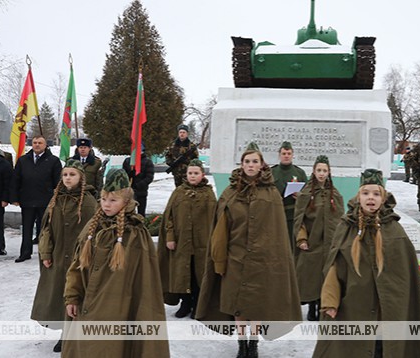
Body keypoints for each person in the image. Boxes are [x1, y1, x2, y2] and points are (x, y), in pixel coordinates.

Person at [313, 169, 420, 358]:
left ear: (383, 197)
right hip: (353, 307)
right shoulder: (346, 227)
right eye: (366, 193)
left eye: (376, 193)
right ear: (359, 196)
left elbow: (405, 274)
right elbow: (334, 266)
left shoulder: (395, 230)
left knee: (383, 350)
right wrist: (330, 301)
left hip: (387, 310)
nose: (371, 198)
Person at [196, 143, 301, 358]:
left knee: (256, 305)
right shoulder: (230, 192)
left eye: (255, 161)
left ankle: (253, 344)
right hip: (235, 257)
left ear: (262, 164)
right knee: (238, 305)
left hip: (262, 260)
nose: (251, 165)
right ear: (241, 164)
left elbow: (277, 231)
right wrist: (219, 258)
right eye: (247, 161)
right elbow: (220, 228)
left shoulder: (271, 193)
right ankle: (241, 343)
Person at [63, 169, 169, 357]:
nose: (106, 205)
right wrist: (72, 296)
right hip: (87, 301)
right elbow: (77, 266)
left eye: (113, 200)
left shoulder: (136, 234)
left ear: (126, 202)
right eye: (104, 199)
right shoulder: (93, 227)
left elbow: (143, 283)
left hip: (119, 308)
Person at [30, 160, 97, 353]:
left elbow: (93, 232)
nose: (68, 178)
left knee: (77, 295)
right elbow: (46, 229)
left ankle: (72, 335)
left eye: (72, 174)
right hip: (58, 258)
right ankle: (64, 333)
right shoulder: (56, 200)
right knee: (60, 296)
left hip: (79, 260)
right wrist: (45, 252)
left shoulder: (89, 202)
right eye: (65, 174)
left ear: (81, 177)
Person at [157, 159, 216, 319]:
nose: (192, 176)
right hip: (181, 242)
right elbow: (169, 217)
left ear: (202, 175)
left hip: (202, 243)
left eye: (196, 173)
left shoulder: (208, 194)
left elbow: (214, 219)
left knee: (199, 273)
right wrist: (170, 237)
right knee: (183, 273)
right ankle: (185, 302)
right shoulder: (179, 192)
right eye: (190, 173)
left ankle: (198, 303)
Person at [292, 155, 344, 321]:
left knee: (327, 274)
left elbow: (340, 218)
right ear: (313, 172)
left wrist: (340, 240)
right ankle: (312, 305)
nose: (321, 174)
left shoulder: (335, 194)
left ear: (329, 173)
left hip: (329, 242)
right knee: (310, 275)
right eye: (319, 170)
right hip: (312, 242)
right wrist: (302, 239)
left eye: (324, 170)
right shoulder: (306, 193)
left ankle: (324, 303)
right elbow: (299, 219)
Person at [11, 135, 62, 262]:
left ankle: (44, 253)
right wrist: (14, 197)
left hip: (46, 201)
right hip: (27, 200)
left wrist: (56, 198)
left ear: (45, 145)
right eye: (34, 143)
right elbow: (16, 180)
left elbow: (58, 182)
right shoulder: (23, 160)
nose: (37, 145)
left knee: (45, 229)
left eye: (40, 143)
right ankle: (25, 253)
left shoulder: (53, 160)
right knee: (27, 228)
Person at [271, 141, 308, 248]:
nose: (286, 156)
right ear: (279, 155)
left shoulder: (299, 173)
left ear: (292, 155)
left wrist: (300, 195)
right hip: (276, 214)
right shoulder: (271, 172)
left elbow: (307, 194)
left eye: (288, 154)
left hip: (293, 215)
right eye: (284, 154)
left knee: (291, 245)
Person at [121, 145, 155, 217]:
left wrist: (138, 185)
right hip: (129, 191)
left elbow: (149, 177)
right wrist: (130, 174)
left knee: (141, 213)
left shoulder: (148, 162)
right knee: (128, 213)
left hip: (141, 191)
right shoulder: (128, 161)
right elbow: (123, 175)